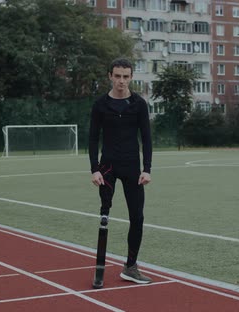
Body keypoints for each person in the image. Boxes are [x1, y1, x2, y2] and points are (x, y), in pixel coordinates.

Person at [89, 58, 153, 284]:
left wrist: (147, 169)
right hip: (107, 167)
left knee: (137, 217)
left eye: (126, 77)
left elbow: (146, 138)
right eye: (117, 76)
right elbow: (93, 138)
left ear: (131, 77)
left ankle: (131, 267)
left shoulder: (138, 104)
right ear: (110, 76)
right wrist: (94, 169)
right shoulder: (100, 105)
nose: (121, 81)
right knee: (104, 216)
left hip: (132, 168)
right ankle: (100, 271)